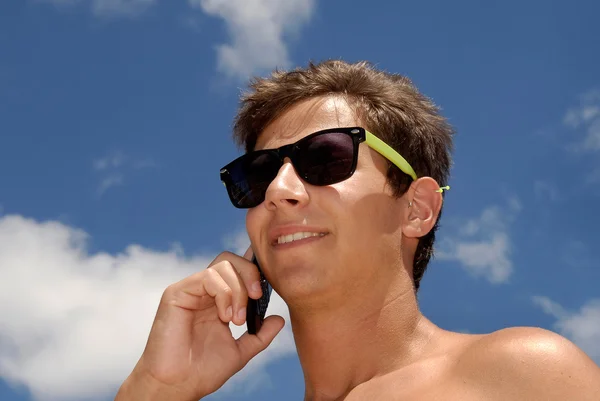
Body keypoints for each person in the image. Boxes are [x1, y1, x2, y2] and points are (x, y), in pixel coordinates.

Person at [115, 60, 600, 401]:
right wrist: (156, 389)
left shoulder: (519, 374)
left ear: (417, 208)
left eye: (324, 158)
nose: (280, 189)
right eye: (259, 174)